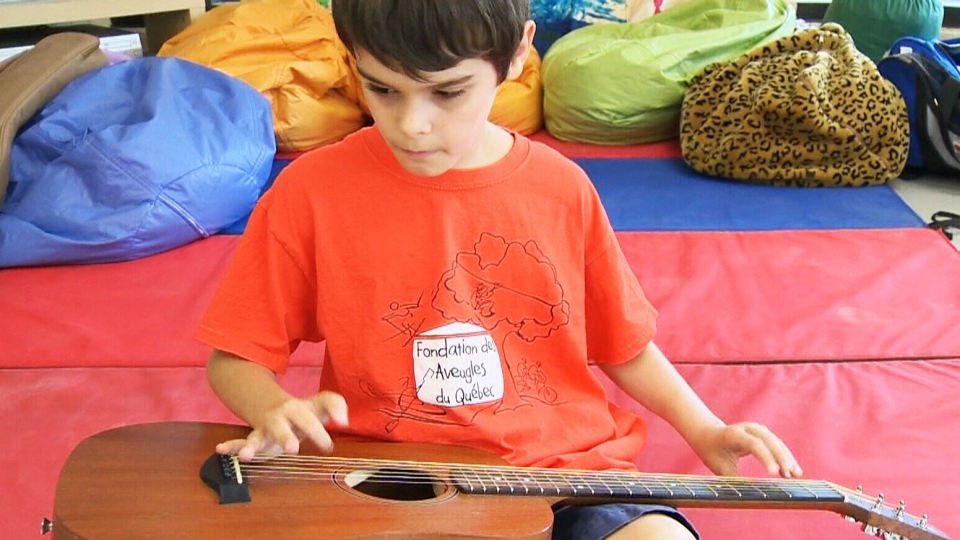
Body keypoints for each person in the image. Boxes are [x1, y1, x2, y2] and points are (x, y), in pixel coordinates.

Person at [196, 1, 802, 538]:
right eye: (382, 89)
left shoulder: (562, 189)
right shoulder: (311, 192)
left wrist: (705, 428)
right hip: (391, 481)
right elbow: (236, 356)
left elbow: (623, 344)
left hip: (563, 477)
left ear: (516, 56)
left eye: (448, 92)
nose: (413, 124)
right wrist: (270, 406)